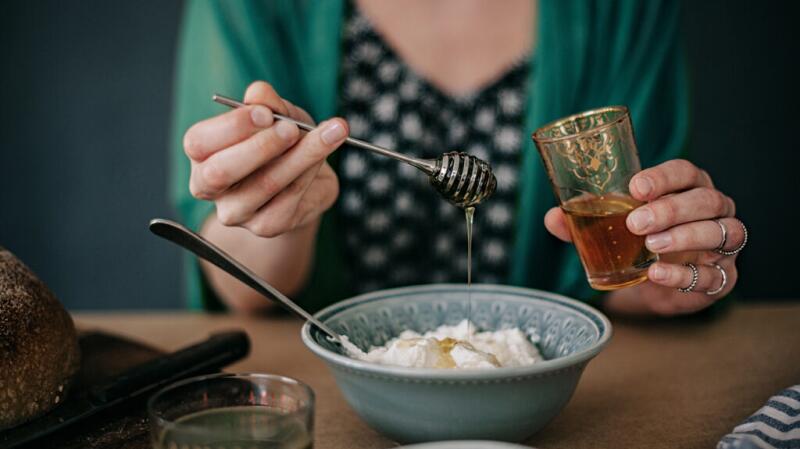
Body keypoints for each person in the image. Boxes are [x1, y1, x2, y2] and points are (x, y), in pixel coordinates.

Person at [170, 0, 746, 317]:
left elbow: (632, 264)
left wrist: (669, 265)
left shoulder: (624, 11)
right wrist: (277, 204)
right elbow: (243, 284)